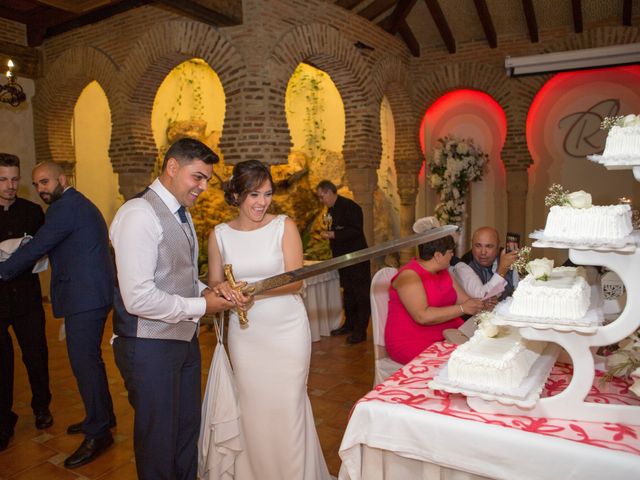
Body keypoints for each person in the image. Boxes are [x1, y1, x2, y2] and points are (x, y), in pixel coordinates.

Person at [110, 138, 238, 480]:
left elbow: (176, 276)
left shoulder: (181, 214)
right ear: (171, 167)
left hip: (182, 340)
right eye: (198, 177)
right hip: (148, 346)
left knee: (185, 433)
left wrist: (209, 291)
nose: (203, 187)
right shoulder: (138, 214)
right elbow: (137, 297)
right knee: (158, 442)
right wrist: (202, 305)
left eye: (207, 180)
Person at [208, 160, 331, 479]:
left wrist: (254, 291)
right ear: (236, 195)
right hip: (247, 336)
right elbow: (214, 283)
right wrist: (222, 289)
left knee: (288, 405)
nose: (262, 202)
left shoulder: (284, 226)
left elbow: (296, 280)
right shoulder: (219, 235)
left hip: (286, 330)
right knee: (253, 407)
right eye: (253, 195)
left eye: (267, 194)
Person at [0, 161, 115, 467]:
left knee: (84, 363)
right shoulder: (78, 203)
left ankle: (98, 432)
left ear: (62, 179)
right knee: (91, 360)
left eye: (46, 182)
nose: (41, 189)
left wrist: (3, 270)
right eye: (37, 184)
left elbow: (37, 247)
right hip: (93, 294)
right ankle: (103, 416)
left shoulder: (65, 208)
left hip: (85, 298)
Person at [0, 153, 52, 452]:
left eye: (15, 179)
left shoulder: (33, 211)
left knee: (36, 355)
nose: (10, 185)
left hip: (28, 299)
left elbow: (43, 251)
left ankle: (42, 407)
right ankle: (4, 420)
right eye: (4, 179)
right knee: (2, 363)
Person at [385, 218, 486, 364]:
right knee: (464, 363)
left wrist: (480, 304)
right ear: (438, 256)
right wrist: (463, 308)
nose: (452, 256)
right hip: (412, 340)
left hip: (446, 331)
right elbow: (422, 316)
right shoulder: (409, 276)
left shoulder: (443, 271)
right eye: (450, 252)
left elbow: (464, 300)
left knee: (483, 352)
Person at [316, 180, 371, 344]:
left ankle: (361, 331)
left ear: (329, 192)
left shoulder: (351, 207)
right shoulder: (330, 210)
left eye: (321, 196)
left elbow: (356, 230)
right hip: (343, 259)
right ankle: (349, 324)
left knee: (360, 294)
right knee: (348, 293)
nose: (321, 200)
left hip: (357, 258)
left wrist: (334, 235)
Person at [452, 226, 519, 302]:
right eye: (478, 246)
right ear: (472, 244)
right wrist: (502, 270)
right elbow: (481, 298)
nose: (483, 252)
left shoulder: (507, 257)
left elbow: (519, 292)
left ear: (498, 246)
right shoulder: (462, 266)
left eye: (489, 246)